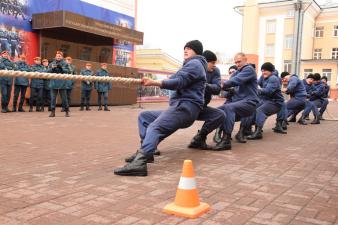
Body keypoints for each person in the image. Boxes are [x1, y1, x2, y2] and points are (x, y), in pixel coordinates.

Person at [114, 40, 207, 176]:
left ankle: (140, 163)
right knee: (145, 117)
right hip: (181, 107)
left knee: (154, 127)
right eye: (185, 48)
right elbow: (175, 78)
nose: (186, 50)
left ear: (197, 51)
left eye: (189, 48)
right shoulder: (190, 65)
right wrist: (150, 80)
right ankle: (147, 152)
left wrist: (155, 82)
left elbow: (178, 82)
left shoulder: (195, 64)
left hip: (185, 108)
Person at [213, 52, 259, 150]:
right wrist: (213, 86)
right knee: (218, 111)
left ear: (245, 60)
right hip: (239, 103)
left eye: (239, 61)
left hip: (250, 103)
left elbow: (235, 81)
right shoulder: (237, 72)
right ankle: (201, 135)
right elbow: (229, 86)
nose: (237, 64)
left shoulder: (249, 69)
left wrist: (223, 85)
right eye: (236, 62)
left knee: (228, 107)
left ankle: (226, 140)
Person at [187, 50, 226, 150]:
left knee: (219, 115)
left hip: (201, 107)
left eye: (215, 63)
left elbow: (217, 89)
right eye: (212, 63)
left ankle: (199, 139)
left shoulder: (215, 71)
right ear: (205, 62)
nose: (214, 65)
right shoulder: (193, 68)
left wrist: (203, 85)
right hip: (187, 107)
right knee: (169, 123)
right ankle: (150, 146)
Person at [247, 63, 284, 140]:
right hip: (266, 100)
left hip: (276, 102)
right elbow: (256, 83)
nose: (263, 72)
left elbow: (268, 91)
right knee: (252, 108)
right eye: (262, 71)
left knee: (260, 110)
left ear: (270, 71)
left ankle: (258, 132)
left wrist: (256, 90)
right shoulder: (263, 77)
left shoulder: (273, 78)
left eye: (265, 70)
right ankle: (248, 129)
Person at [48, 51, 71, 117]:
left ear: (62, 57)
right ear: (55, 57)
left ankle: (66, 111)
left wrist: (61, 68)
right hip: (53, 83)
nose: (58, 57)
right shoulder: (52, 63)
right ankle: (52, 112)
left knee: (64, 99)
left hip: (62, 84)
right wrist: (52, 68)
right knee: (53, 99)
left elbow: (68, 71)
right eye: (57, 56)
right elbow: (47, 71)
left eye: (59, 56)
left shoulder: (65, 63)